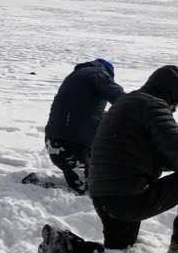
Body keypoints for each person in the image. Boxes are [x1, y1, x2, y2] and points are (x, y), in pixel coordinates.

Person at [38, 65, 178, 253]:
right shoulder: (154, 106)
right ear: (172, 94)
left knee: (119, 250)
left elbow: (141, 155)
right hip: (128, 198)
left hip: (104, 197)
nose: (175, 108)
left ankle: (68, 244)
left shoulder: (124, 104)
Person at [42, 59, 125, 194]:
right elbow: (122, 98)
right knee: (88, 191)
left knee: (94, 182)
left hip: (57, 142)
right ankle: (37, 187)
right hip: (70, 147)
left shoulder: (77, 76)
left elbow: (83, 113)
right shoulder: (98, 74)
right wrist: (141, 107)